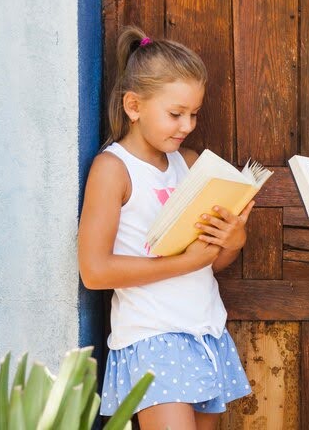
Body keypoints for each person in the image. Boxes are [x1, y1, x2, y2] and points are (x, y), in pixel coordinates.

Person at [78, 26, 252, 430]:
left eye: (194, 114)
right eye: (176, 114)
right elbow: (95, 271)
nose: (188, 125)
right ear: (133, 106)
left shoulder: (189, 164)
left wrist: (233, 240)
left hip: (205, 332)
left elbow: (211, 262)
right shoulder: (113, 169)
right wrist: (186, 263)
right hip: (153, 339)